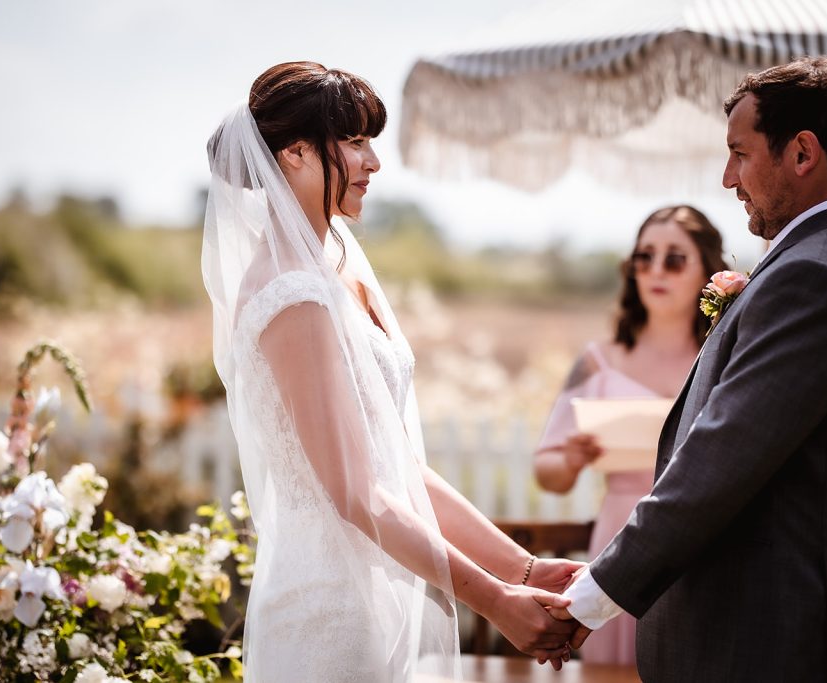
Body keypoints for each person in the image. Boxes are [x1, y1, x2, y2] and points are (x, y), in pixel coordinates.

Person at [201, 62, 584, 683]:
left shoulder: (337, 265)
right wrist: (494, 602)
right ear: (294, 153)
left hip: (382, 585)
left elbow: (398, 467)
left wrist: (523, 569)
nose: (373, 161)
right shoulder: (289, 291)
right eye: (353, 141)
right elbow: (357, 492)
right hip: (330, 608)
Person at [556, 57, 827, 681]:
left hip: (773, 648)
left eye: (740, 154)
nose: (727, 178)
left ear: (802, 153)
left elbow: (716, 464)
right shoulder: (826, 263)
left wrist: (586, 601)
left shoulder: (813, 278)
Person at [533, 204, 727, 664]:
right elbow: (548, 472)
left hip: (705, 547)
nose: (656, 270)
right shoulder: (599, 360)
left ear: (707, 269)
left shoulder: (727, 358)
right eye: (645, 257)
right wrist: (574, 458)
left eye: (674, 258)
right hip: (618, 542)